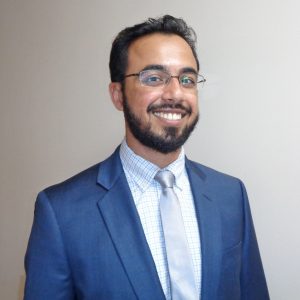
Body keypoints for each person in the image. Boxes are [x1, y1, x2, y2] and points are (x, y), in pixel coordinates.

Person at [24, 15, 269, 300]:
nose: (176, 93)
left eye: (187, 79)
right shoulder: (61, 212)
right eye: (154, 78)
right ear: (118, 95)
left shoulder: (231, 194)